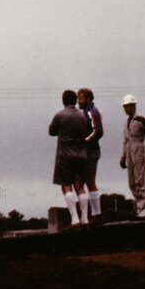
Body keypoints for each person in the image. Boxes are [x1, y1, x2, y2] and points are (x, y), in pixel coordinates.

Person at [48, 89, 89, 226]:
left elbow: (51, 131)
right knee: (80, 186)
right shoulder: (83, 116)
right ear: (75, 100)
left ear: (63, 101)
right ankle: (85, 218)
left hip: (64, 156)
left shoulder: (60, 115)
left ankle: (75, 219)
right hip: (82, 155)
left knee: (66, 185)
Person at [120, 94, 145, 210]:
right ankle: (138, 203)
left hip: (138, 150)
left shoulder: (140, 118)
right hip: (129, 150)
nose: (126, 109)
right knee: (132, 181)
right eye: (124, 107)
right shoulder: (126, 122)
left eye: (127, 106)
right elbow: (125, 140)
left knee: (140, 179)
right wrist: (123, 157)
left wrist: (144, 121)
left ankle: (142, 206)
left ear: (133, 106)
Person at [77, 86, 104, 223]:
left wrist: (84, 141)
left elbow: (98, 131)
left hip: (91, 150)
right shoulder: (85, 112)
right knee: (88, 181)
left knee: (89, 181)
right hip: (88, 150)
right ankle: (94, 214)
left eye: (80, 98)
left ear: (87, 99)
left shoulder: (92, 111)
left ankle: (96, 214)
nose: (78, 101)